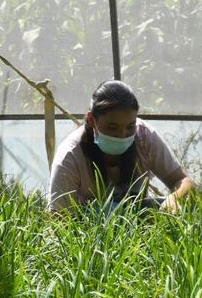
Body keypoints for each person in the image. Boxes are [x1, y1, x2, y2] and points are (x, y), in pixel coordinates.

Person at [49, 80, 194, 213]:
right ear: (92, 120)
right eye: (112, 128)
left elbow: (183, 181)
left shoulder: (144, 137)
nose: (122, 135)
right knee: (107, 212)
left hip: (139, 218)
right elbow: (59, 221)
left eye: (130, 127)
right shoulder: (71, 156)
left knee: (172, 210)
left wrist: (174, 199)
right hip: (89, 228)